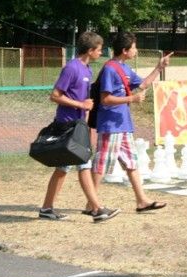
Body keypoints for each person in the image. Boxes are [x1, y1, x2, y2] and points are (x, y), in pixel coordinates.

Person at [39, 31, 119, 223]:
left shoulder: (87, 70)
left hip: (78, 126)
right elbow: (55, 96)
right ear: (90, 50)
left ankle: (47, 208)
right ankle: (97, 209)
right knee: (83, 165)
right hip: (67, 125)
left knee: (64, 168)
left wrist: (85, 123)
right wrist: (80, 105)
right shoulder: (72, 68)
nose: (101, 52)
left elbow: (86, 102)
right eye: (99, 49)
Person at [91, 32, 173, 212]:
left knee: (131, 162)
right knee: (102, 163)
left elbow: (142, 85)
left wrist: (159, 67)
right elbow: (105, 99)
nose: (136, 51)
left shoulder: (124, 68)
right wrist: (132, 99)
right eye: (134, 47)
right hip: (111, 125)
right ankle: (91, 203)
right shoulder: (110, 69)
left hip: (123, 125)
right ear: (124, 50)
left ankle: (141, 201)